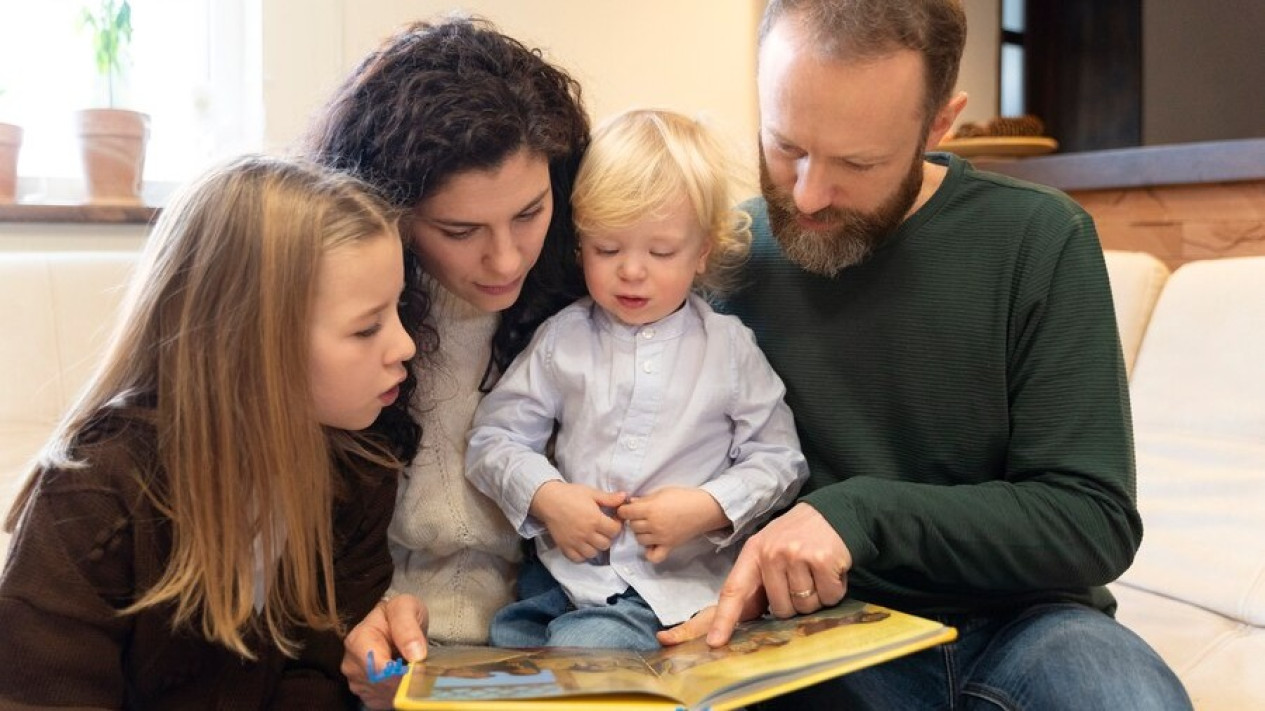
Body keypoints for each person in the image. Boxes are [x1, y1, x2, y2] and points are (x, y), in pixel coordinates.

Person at [657, 1, 1194, 709]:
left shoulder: (1039, 239)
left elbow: (1091, 520)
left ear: (938, 123)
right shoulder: (725, 254)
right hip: (818, 633)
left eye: (857, 161)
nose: (809, 194)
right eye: (785, 146)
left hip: (1030, 627)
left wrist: (859, 515)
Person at [0, 154, 423, 709]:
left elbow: (313, 685)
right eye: (367, 327)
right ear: (249, 345)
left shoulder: (359, 474)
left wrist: (385, 678)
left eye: (398, 310)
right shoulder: (96, 493)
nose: (406, 346)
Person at [300, 15, 589, 708]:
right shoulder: (342, 319)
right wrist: (352, 634)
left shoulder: (595, 291)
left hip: (561, 641)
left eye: (530, 211)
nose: (506, 259)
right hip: (388, 654)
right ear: (390, 215)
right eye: (459, 230)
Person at [465, 109, 808, 651]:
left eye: (661, 251)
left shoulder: (728, 349)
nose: (631, 270)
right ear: (580, 247)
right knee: (505, 651)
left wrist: (709, 507)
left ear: (702, 253)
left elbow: (780, 459)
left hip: (668, 592)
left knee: (587, 652)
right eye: (607, 249)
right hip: (562, 582)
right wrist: (548, 496)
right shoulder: (563, 339)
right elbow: (493, 438)